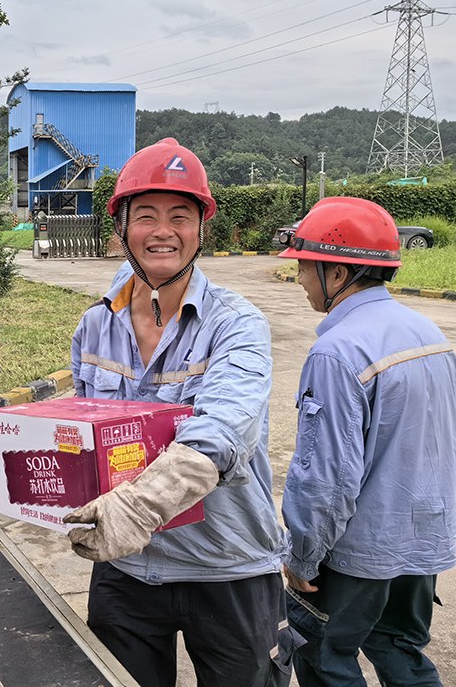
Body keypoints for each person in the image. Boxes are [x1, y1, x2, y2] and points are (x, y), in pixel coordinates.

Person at [64, 138, 289, 686]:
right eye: (146, 216)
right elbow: (88, 431)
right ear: (120, 228)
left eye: (180, 216)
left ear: (200, 229)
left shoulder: (236, 325)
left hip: (227, 564)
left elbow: (221, 434)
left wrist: (141, 507)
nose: (163, 231)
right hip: (128, 568)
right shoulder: (96, 325)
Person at [278, 196, 456, 686]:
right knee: (399, 646)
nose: (300, 280)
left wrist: (302, 557)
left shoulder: (336, 352)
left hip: (358, 551)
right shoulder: (428, 332)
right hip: (421, 543)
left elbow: (326, 478)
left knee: (324, 656)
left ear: (337, 273)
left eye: (305, 268)